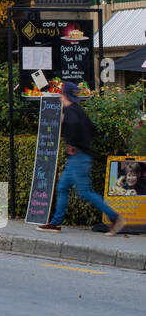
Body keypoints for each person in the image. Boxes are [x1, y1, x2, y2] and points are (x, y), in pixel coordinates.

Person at [39, 81, 123, 234]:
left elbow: (74, 124)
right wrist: (84, 143)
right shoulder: (79, 110)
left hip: (78, 157)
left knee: (85, 192)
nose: (59, 95)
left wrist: (72, 144)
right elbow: (93, 129)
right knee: (62, 187)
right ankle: (55, 223)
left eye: (61, 93)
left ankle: (115, 217)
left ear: (64, 95)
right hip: (80, 157)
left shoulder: (71, 111)